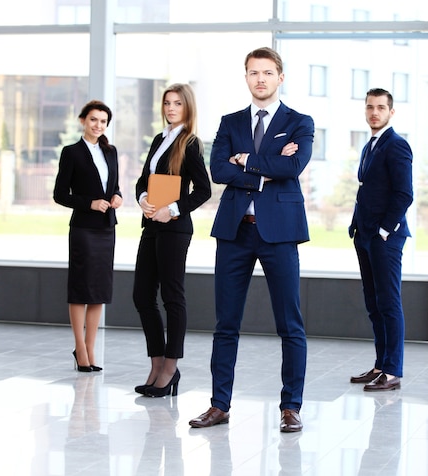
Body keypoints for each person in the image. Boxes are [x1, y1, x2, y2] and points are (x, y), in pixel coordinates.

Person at [189, 47, 314, 432]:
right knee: (226, 323)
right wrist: (264, 169)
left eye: (267, 72)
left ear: (280, 77)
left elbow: (294, 165)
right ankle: (219, 405)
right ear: (246, 78)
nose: (260, 79)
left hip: (279, 233)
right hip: (235, 230)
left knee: (289, 324)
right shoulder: (230, 122)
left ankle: (290, 407)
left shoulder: (300, 122)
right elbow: (218, 170)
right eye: (252, 73)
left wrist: (246, 161)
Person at [133, 83, 211, 397]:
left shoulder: (190, 143)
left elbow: (204, 190)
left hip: (175, 229)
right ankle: (156, 362)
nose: (170, 108)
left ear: (187, 107)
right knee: (141, 296)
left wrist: (173, 209)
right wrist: (142, 198)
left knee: (172, 298)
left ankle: (169, 368)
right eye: (167, 103)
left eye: (177, 103)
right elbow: (144, 179)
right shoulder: (159, 139)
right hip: (151, 224)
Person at [348, 88, 413, 391]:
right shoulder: (370, 146)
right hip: (365, 235)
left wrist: (385, 231)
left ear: (391, 112)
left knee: (389, 302)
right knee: (374, 303)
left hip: (385, 237)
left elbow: (404, 194)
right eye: (370, 107)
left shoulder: (397, 145)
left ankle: (393, 370)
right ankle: (380, 364)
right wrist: (358, 228)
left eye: (381, 108)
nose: (375, 112)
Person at [53, 100, 123, 372]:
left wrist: (117, 196)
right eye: (93, 120)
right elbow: (60, 195)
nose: (98, 125)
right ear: (83, 120)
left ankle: (91, 348)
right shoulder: (71, 153)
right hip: (83, 228)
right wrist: (89, 203)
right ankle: (80, 349)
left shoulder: (111, 151)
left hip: (106, 228)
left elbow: (114, 185)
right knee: (81, 288)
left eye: (103, 121)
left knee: (98, 291)